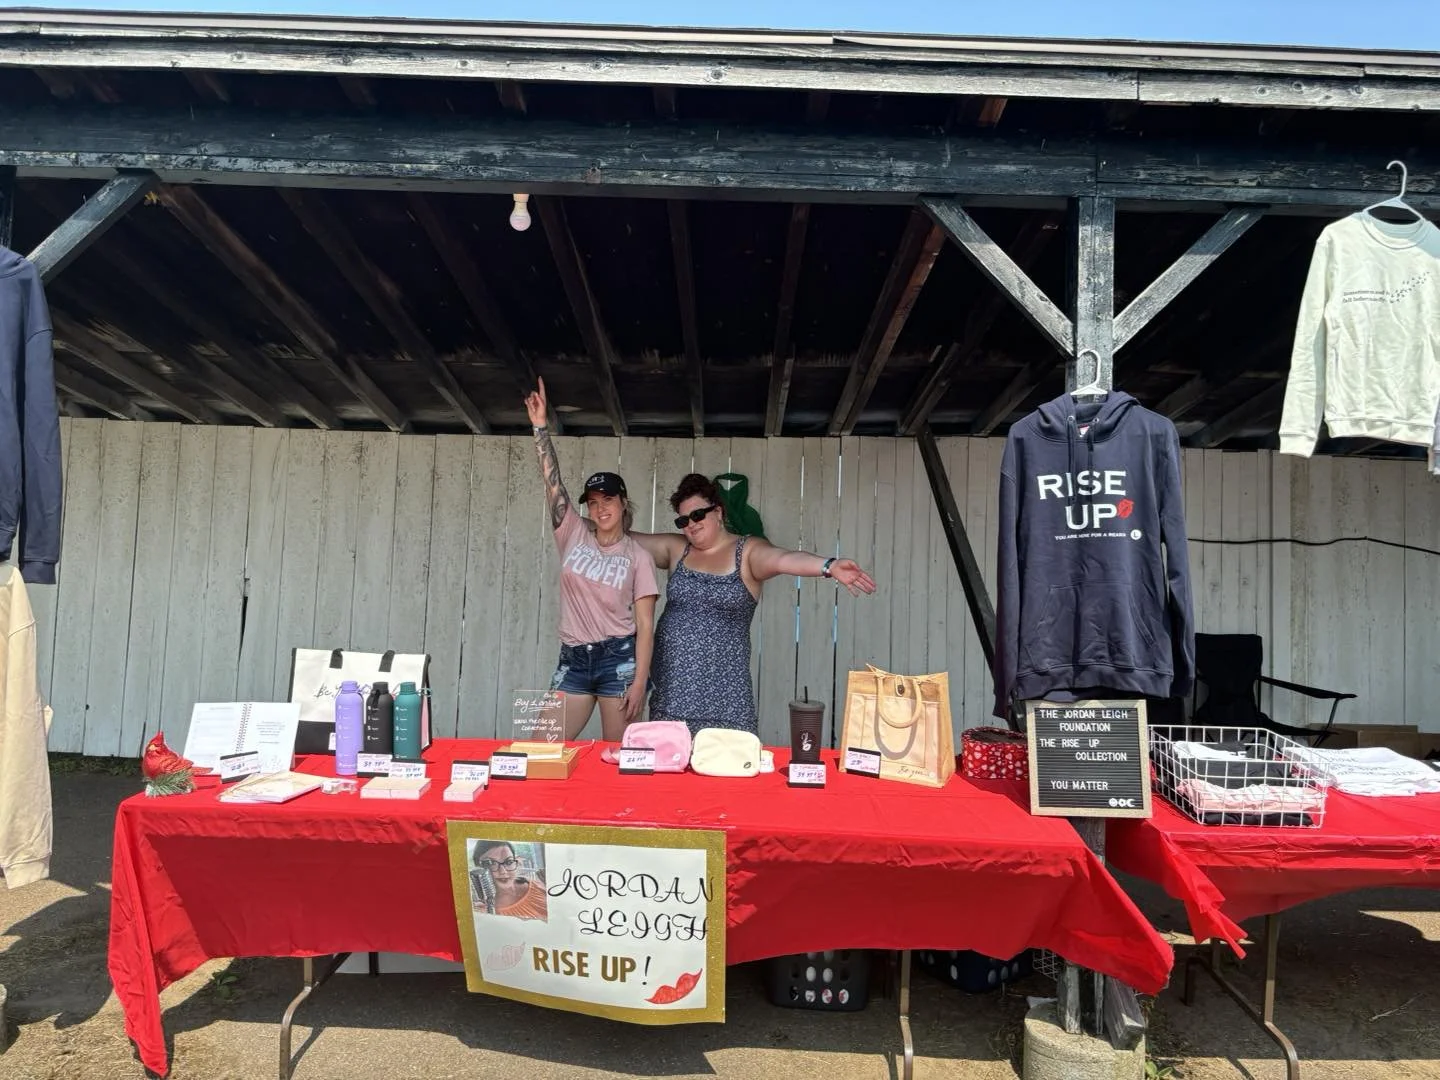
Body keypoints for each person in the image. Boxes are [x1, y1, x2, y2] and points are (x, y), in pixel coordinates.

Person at [633, 473, 877, 736]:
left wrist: (828, 566)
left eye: (698, 515)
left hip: (726, 699)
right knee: (669, 771)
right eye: (683, 520)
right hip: (671, 691)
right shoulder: (676, 548)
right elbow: (621, 539)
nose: (690, 524)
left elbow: (784, 558)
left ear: (718, 511)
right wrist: (584, 523)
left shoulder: (747, 551)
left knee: (728, 770)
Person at [525, 379, 658, 741]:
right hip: (573, 660)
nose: (601, 509)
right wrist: (540, 429)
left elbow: (645, 626)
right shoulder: (572, 533)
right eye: (594, 502)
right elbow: (553, 485)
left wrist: (640, 681)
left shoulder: (638, 557)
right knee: (542, 750)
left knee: (618, 762)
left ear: (623, 503)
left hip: (620, 660)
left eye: (608, 500)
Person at [471, 841, 548, 921]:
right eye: (490, 863)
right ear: (477, 869)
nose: (503, 871)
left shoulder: (540, 883)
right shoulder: (482, 910)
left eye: (509, 862)